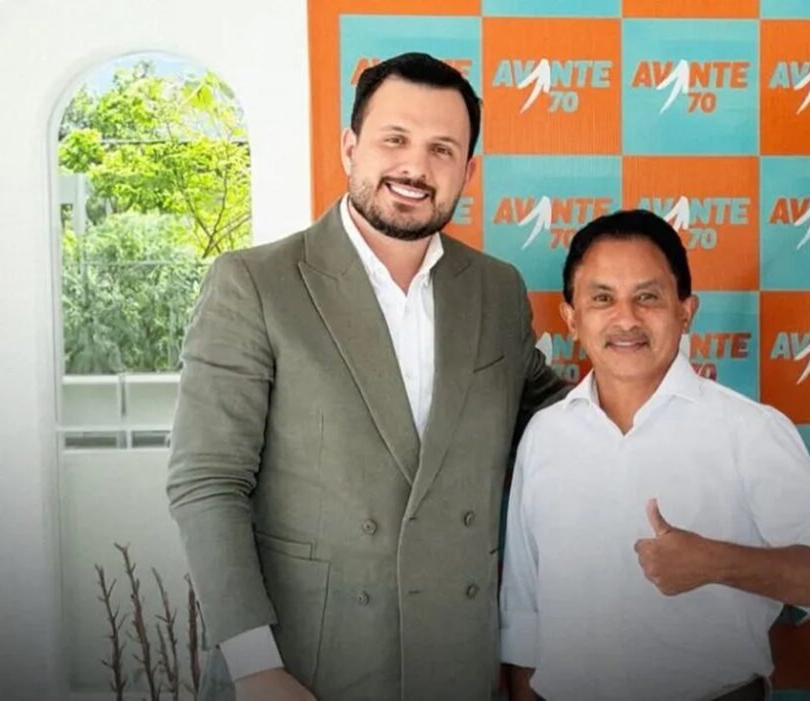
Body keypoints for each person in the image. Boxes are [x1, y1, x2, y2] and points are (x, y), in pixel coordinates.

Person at [166, 52, 567, 701]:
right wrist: (253, 664)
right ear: (351, 146)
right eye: (395, 139)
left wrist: (677, 420)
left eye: (442, 149)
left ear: (468, 170)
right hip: (300, 671)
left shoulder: (496, 290)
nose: (416, 166)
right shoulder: (256, 284)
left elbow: (557, 424)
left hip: (456, 667)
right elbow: (206, 483)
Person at [499, 209, 810, 701]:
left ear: (685, 310)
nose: (626, 319)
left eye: (648, 297)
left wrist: (716, 562)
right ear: (572, 318)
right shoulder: (544, 435)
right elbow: (524, 613)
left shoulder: (747, 430)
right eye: (603, 298)